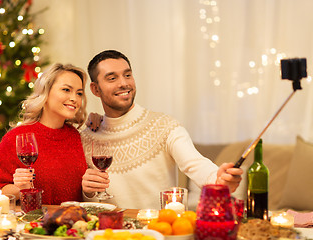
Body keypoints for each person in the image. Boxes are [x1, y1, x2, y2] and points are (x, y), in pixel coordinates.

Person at [81, 50, 243, 209]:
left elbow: (195, 164)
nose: (123, 83)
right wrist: (87, 192)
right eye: (112, 78)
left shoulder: (164, 126)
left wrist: (219, 179)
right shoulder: (87, 138)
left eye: (128, 75)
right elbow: (84, 203)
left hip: (159, 230)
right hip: (110, 233)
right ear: (95, 89)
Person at [0, 63, 89, 205]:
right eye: (66, 90)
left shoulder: (76, 136)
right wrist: (19, 189)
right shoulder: (16, 138)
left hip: (74, 224)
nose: (75, 99)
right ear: (45, 93)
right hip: (33, 224)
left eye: (79, 93)